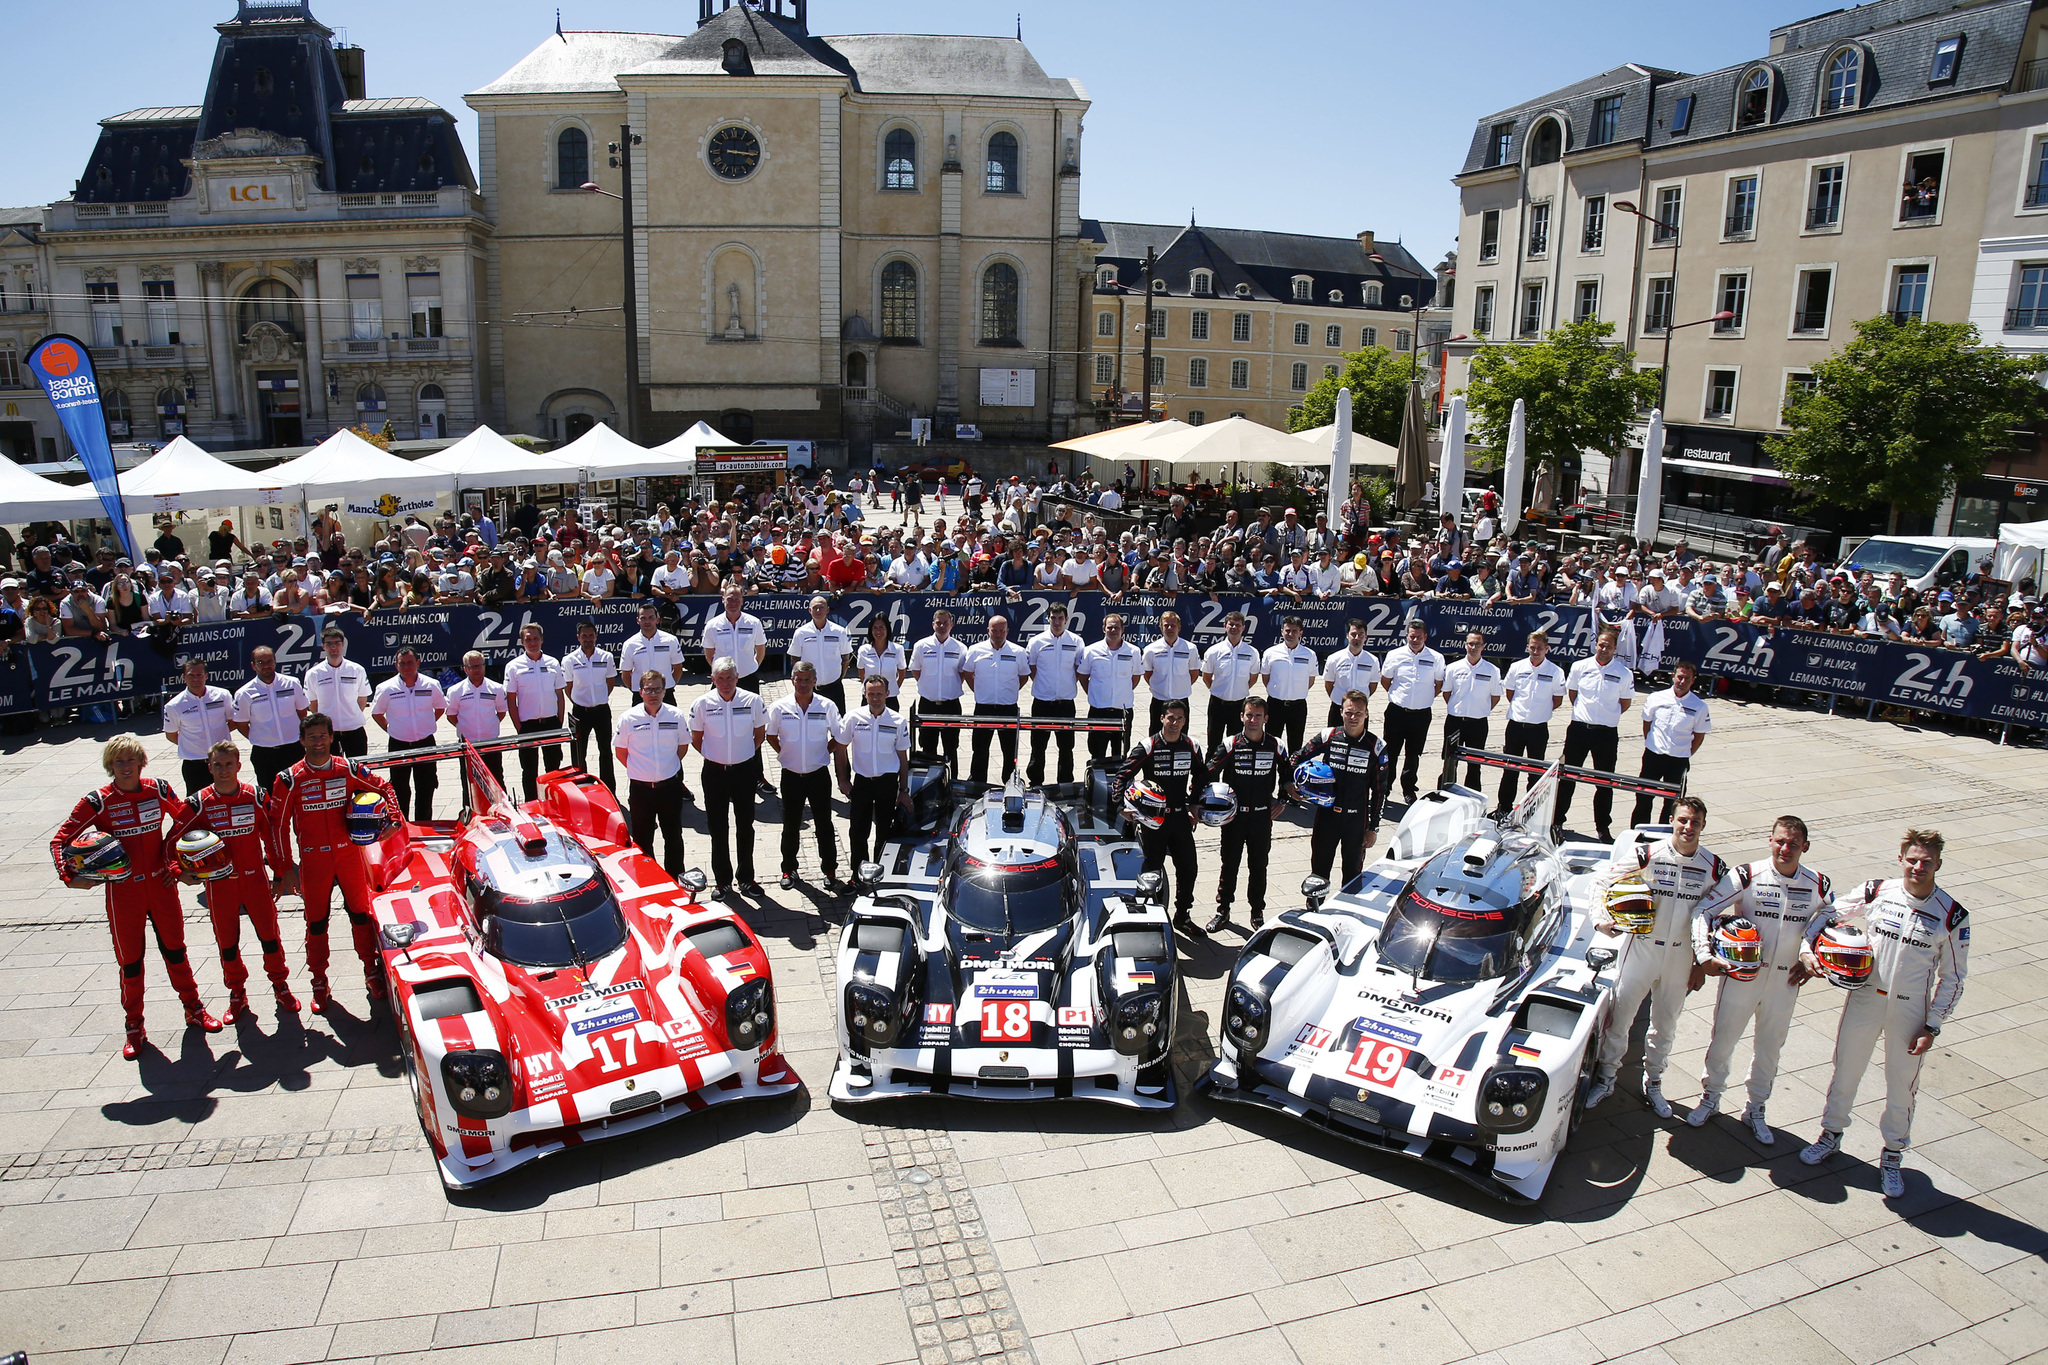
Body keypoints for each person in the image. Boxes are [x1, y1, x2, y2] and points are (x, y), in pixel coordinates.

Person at [1797, 829, 1967, 1198]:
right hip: (1866, 998)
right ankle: (1830, 1135)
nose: (1918, 867)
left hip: (1911, 1011)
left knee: (1902, 1087)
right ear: (1901, 858)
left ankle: (1892, 1155)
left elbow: (1953, 978)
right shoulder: (1877, 891)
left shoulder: (1952, 915)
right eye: (1912, 859)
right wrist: (1808, 950)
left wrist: (1933, 1025)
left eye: (1926, 862)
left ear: (1938, 864)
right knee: (1846, 1070)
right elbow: (1825, 913)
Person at [51, 735, 217, 1057]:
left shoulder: (158, 789)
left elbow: (185, 821)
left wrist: (178, 863)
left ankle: (194, 1009)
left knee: (176, 952)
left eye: (131, 760)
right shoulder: (97, 801)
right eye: (119, 762)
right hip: (123, 893)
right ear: (109, 766)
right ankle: (134, 1027)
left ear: (142, 762)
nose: (126, 767)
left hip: (161, 886)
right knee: (130, 964)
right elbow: (60, 840)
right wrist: (70, 876)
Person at [1687, 816, 1833, 1142]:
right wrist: (1704, 955)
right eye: (1780, 841)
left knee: (1770, 1048)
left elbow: (1829, 922)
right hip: (1742, 974)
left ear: (1805, 847)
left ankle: (1756, 1108)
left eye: (1793, 843)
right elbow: (1703, 911)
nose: (1785, 848)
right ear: (1770, 840)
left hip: (1785, 981)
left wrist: (1811, 953)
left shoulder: (1818, 884)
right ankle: (1710, 1097)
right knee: (1723, 1040)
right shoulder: (1748, 875)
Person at [1583, 796, 1726, 1118]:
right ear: (1673, 820)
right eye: (1683, 820)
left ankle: (1654, 1083)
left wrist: (1701, 962)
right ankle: (1606, 1079)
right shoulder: (1649, 854)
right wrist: (1600, 919)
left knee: (1665, 1025)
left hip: (1681, 957)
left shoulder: (1714, 866)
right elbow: (1600, 880)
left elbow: (1715, 915)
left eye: (1695, 822)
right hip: (1643, 948)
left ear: (1703, 826)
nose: (1688, 827)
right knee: (1620, 1019)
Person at [264, 712, 404, 1013]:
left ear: (331, 738)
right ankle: (319, 981)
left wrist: (394, 819)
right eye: (311, 737)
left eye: (323, 736)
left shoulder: (348, 768)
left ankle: (371, 970)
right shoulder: (289, 779)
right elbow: (276, 826)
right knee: (315, 923)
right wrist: (284, 868)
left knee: (361, 916)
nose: (318, 742)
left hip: (349, 855)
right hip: (314, 861)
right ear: (302, 741)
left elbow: (385, 787)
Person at [169, 739, 296, 1025]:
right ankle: (237, 993)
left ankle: (281, 986)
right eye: (218, 765)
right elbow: (171, 842)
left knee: (270, 938)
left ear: (239, 766)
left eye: (229, 764)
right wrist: (181, 871)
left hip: (255, 882)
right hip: (219, 885)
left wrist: (280, 873)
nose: (224, 770)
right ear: (209, 767)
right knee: (227, 943)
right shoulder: (198, 803)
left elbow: (273, 836)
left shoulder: (255, 796)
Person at [1116, 698, 1210, 939]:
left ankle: (1182, 916)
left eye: (1179, 718)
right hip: (1152, 821)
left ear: (1185, 721)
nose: (1174, 723)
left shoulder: (1191, 745)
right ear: (1162, 718)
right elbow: (1122, 775)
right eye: (1170, 717)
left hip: (1180, 819)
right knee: (1151, 870)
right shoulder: (1148, 745)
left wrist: (1195, 803)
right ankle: (1150, 916)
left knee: (1189, 868)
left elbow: (1202, 775)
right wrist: (1120, 806)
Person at [1206, 694, 1287, 934]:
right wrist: (1197, 802)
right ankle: (1223, 911)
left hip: (1262, 818)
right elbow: (1210, 770)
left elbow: (1289, 771)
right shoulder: (1231, 744)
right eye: (1249, 715)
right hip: (1233, 818)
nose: (1253, 720)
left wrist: (1283, 799)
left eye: (1258, 716)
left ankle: (1257, 913)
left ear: (1266, 719)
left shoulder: (1275, 744)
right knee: (1229, 864)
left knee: (1258, 865)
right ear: (1241, 716)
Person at [1288, 689, 1384, 887]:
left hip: (1356, 821)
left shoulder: (1376, 746)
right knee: (1318, 873)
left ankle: (1348, 912)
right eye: (1349, 712)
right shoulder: (1329, 735)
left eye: (1358, 713)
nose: (1353, 717)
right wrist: (1294, 784)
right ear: (1341, 712)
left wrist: (1373, 827)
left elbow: (1381, 791)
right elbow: (1296, 758)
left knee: (1353, 876)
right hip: (1327, 817)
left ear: (1366, 714)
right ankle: (1314, 911)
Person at [690, 657, 768, 898]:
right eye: (720, 678)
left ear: (737, 678)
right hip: (714, 773)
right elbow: (696, 739)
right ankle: (722, 881)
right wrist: (717, 756)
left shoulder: (752, 700)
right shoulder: (702, 703)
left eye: (730, 678)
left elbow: (760, 734)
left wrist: (740, 755)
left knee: (746, 826)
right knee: (718, 827)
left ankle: (746, 878)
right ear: (713, 679)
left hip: (744, 772)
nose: (725, 683)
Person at [767, 661, 845, 892]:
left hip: (818, 775)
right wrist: (785, 754)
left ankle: (830, 870)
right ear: (792, 680)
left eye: (807, 679)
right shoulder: (779, 707)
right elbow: (770, 735)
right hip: (790, 776)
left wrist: (824, 752)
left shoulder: (827, 706)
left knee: (824, 825)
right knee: (791, 825)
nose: (802, 684)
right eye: (798, 679)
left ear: (815, 681)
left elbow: (839, 736)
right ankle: (788, 869)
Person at [1553, 626, 1635, 842]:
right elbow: (1573, 694)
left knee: (1605, 782)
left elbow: (1625, 703)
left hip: (1606, 734)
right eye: (1601, 644)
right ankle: (1557, 821)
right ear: (1595, 645)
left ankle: (1603, 828)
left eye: (1608, 646)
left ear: (1615, 648)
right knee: (1567, 777)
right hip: (1579, 729)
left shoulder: (1624, 674)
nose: (1604, 649)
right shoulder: (1580, 667)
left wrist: (1605, 716)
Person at [615, 671, 689, 876]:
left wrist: (664, 766)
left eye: (657, 689)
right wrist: (642, 770)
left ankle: (675, 880)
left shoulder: (676, 716)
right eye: (648, 689)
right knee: (642, 840)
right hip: (641, 790)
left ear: (665, 691)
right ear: (640, 692)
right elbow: (621, 752)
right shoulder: (629, 718)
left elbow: (682, 747)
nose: (653, 694)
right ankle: (648, 880)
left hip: (669, 788)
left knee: (673, 837)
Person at [838, 675, 914, 870]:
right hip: (862, 782)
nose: (875, 698)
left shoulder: (898, 721)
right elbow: (840, 748)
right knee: (857, 832)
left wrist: (904, 790)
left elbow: (903, 758)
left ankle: (882, 873)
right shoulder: (853, 718)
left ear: (887, 694)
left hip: (887, 783)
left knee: (884, 832)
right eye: (871, 694)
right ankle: (858, 875)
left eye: (879, 694)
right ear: (864, 694)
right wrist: (843, 780)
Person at [371, 647, 446, 821]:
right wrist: (391, 729)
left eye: (410, 663)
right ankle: (401, 824)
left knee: (426, 787)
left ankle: (424, 824)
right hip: (399, 744)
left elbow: (441, 708)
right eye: (402, 663)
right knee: (399, 789)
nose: (406, 667)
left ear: (418, 663)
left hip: (425, 743)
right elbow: (376, 714)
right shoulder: (386, 688)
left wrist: (426, 724)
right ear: (396, 665)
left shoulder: (431, 685)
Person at [1496, 631, 1567, 813]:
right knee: (1510, 770)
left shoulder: (1555, 672)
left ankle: (1530, 810)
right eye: (1532, 647)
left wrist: (1540, 712)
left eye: (1539, 648)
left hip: (1538, 729)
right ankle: (1504, 808)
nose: (1535, 651)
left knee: (1535, 772)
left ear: (1547, 649)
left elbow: (1557, 700)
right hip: (1516, 726)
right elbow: (1510, 693)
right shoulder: (1517, 667)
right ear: (1528, 647)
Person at [1633, 660, 1711, 828]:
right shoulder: (1656, 698)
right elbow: (1647, 724)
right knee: (1643, 799)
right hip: (1653, 756)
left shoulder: (1699, 706)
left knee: (1672, 804)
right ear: (1673, 676)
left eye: (1687, 679)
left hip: (1678, 760)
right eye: (1680, 677)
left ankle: (1663, 837)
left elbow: (1699, 735)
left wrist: (1686, 752)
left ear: (1693, 680)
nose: (1682, 682)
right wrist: (1652, 743)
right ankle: (1638, 834)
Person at [1379, 618, 1445, 807]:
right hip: (1397, 713)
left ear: (1425, 636)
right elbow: (1386, 680)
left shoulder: (1436, 658)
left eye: (1418, 637)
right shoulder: (1394, 655)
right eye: (1411, 636)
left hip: (1421, 715)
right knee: (1390, 753)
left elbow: (1438, 684)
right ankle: (1385, 790)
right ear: (1406, 635)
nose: (1414, 640)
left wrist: (1423, 699)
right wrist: (1399, 697)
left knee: (1413, 754)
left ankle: (1409, 789)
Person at [231, 646, 309, 797]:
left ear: (275, 661)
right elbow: (241, 724)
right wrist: (260, 738)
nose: (266, 665)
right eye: (260, 662)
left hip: (293, 749)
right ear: (253, 665)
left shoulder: (291, 683)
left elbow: (302, 712)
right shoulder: (244, 693)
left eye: (269, 661)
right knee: (270, 798)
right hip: (264, 754)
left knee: (300, 795)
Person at [504, 624, 567, 803]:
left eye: (535, 638)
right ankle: (532, 805)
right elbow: (511, 699)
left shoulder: (553, 662)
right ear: (522, 642)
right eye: (528, 639)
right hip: (528, 725)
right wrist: (519, 727)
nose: (532, 642)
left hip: (551, 723)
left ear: (542, 639)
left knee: (553, 767)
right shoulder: (513, 666)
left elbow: (559, 694)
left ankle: (553, 802)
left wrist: (559, 722)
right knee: (529, 770)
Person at [962, 615, 1027, 785]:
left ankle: (1009, 782)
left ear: (1007, 631)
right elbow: (967, 673)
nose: (998, 634)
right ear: (988, 631)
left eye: (1001, 631)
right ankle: (977, 782)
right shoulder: (975, 650)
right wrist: (979, 690)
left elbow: (1024, 676)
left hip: (1008, 708)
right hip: (983, 707)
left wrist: (1009, 691)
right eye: (994, 631)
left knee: (1009, 751)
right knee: (980, 749)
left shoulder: (1018, 652)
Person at [1026, 601, 1084, 785]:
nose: (1057, 622)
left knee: (1066, 747)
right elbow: (1032, 667)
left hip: (1066, 704)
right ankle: (1035, 783)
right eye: (1053, 618)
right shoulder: (1036, 641)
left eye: (1060, 618)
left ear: (1066, 619)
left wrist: (1064, 685)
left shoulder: (1076, 641)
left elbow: (1078, 668)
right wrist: (1046, 685)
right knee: (1038, 746)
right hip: (1042, 702)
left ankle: (1065, 784)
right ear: (1048, 618)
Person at [1439, 631, 1502, 790]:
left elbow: (1495, 696)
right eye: (1470, 644)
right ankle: (1445, 792)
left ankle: (1472, 795)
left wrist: (1479, 709)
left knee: (1475, 764)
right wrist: (1458, 707)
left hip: (1478, 724)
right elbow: (1447, 693)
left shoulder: (1492, 670)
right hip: (1455, 722)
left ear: (1483, 647)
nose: (1473, 647)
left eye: (1477, 644)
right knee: (1450, 762)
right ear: (1465, 645)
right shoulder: (1453, 668)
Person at [1078, 612, 1143, 763]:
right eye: (1110, 627)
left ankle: (1118, 783)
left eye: (1116, 628)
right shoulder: (1091, 650)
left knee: (1120, 753)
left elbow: (1136, 677)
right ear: (1103, 629)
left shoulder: (1133, 651)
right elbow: (1083, 676)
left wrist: (1122, 692)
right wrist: (1094, 693)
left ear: (1123, 630)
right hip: (1098, 710)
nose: (1113, 630)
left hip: (1123, 710)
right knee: (1096, 751)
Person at [301, 626, 374, 758]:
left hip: (354, 729)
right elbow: (312, 703)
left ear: (343, 644)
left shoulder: (357, 670)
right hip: (328, 733)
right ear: (323, 646)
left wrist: (350, 715)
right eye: (329, 643)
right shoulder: (314, 674)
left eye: (337, 643)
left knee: (358, 770)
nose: (333, 647)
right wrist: (324, 722)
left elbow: (362, 699)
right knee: (331, 773)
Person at [908, 608, 968, 768]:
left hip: (951, 705)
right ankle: (930, 784)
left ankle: (953, 780)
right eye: (939, 623)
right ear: (933, 624)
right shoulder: (921, 646)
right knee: (928, 747)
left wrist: (949, 687)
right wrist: (929, 686)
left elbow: (962, 673)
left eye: (945, 623)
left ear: (951, 625)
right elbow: (916, 670)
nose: (942, 626)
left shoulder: (960, 648)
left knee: (951, 747)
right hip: (927, 704)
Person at [163, 658, 234, 793]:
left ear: (206, 675)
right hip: (194, 765)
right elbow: (171, 734)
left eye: (199, 675)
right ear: (183, 677)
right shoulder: (174, 705)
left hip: (222, 761)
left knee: (228, 799)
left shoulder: (222, 695)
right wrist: (192, 744)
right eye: (191, 675)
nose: (196, 679)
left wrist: (218, 736)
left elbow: (232, 722)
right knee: (198, 806)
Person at [563, 620, 618, 789]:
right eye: (584, 636)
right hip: (580, 712)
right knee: (580, 751)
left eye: (591, 635)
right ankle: (582, 785)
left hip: (601, 711)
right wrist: (581, 702)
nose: (588, 639)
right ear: (578, 638)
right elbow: (568, 686)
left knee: (605, 750)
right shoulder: (569, 660)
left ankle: (608, 786)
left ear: (596, 637)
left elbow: (610, 682)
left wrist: (599, 699)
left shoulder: (606, 657)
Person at [1201, 611, 1263, 754]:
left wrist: (1240, 690)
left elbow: (1253, 677)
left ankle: (1231, 775)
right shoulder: (1214, 651)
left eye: (1238, 625)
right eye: (1231, 624)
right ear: (1225, 626)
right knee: (1213, 743)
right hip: (1217, 704)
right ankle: (1209, 775)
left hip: (1239, 705)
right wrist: (1217, 689)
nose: (1234, 627)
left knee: (1236, 744)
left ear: (1243, 628)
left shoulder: (1251, 652)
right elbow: (1206, 676)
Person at [444, 651, 510, 783]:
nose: (476, 670)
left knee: (496, 780)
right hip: (468, 744)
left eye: (479, 666)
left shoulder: (496, 688)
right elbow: (451, 715)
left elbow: (502, 712)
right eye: (472, 667)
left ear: (484, 666)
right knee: (469, 782)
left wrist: (490, 725)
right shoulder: (455, 691)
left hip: (491, 743)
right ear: (465, 669)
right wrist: (464, 728)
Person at [1262, 617, 1320, 754]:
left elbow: (1310, 680)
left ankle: (1290, 774)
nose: (1290, 634)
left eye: (1295, 631)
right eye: (1287, 630)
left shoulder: (1309, 654)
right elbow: (1266, 678)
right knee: (1271, 744)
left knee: (1296, 745)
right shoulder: (1271, 653)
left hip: (1298, 707)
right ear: (1282, 631)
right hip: (1275, 705)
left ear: (1301, 633)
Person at [789, 595, 854, 713]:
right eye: (815, 608)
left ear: (827, 609)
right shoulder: (801, 633)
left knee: (838, 727)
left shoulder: (839, 632)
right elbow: (795, 659)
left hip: (834, 687)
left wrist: (838, 679)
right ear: (809, 610)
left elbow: (845, 658)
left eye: (821, 607)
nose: (818, 611)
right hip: (809, 689)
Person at [1141, 610, 1200, 738]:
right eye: (1166, 625)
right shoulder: (1151, 649)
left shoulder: (1190, 648)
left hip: (1181, 700)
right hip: (1159, 700)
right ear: (1161, 627)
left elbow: (1194, 673)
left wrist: (1181, 686)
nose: (1169, 628)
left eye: (1173, 625)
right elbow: (1147, 673)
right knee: (1155, 735)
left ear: (1179, 627)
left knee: (1181, 736)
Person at [1321, 618, 1380, 729]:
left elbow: (1373, 685)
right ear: (1347, 635)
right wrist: (1340, 700)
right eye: (1353, 634)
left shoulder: (1372, 661)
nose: (1356, 638)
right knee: (1334, 742)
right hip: (1338, 708)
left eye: (1360, 635)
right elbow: (1328, 684)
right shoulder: (1334, 659)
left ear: (1366, 637)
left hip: (1360, 711)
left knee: (1360, 744)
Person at [856, 615, 908, 711]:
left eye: (881, 627)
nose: (878, 631)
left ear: (887, 629)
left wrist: (892, 688)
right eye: (875, 628)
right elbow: (861, 672)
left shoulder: (897, 649)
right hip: (869, 697)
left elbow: (902, 672)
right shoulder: (864, 650)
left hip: (890, 697)